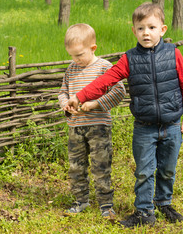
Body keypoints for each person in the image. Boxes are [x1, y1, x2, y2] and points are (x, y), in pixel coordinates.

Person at [67, 3, 183, 227]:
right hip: (144, 127)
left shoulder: (174, 53)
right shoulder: (129, 59)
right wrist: (80, 96)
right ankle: (144, 212)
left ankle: (164, 203)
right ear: (134, 31)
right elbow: (105, 81)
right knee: (144, 171)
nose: (146, 33)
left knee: (167, 169)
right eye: (141, 28)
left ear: (162, 30)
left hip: (172, 123)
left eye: (152, 27)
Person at [58, 23, 126, 218]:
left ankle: (105, 204)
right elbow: (63, 92)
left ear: (93, 48)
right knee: (76, 166)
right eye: (72, 55)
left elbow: (119, 90)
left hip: (98, 126)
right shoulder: (71, 70)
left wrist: (96, 103)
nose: (75, 59)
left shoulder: (104, 67)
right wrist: (66, 105)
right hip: (75, 127)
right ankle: (81, 200)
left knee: (101, 165)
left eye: (79, 55)